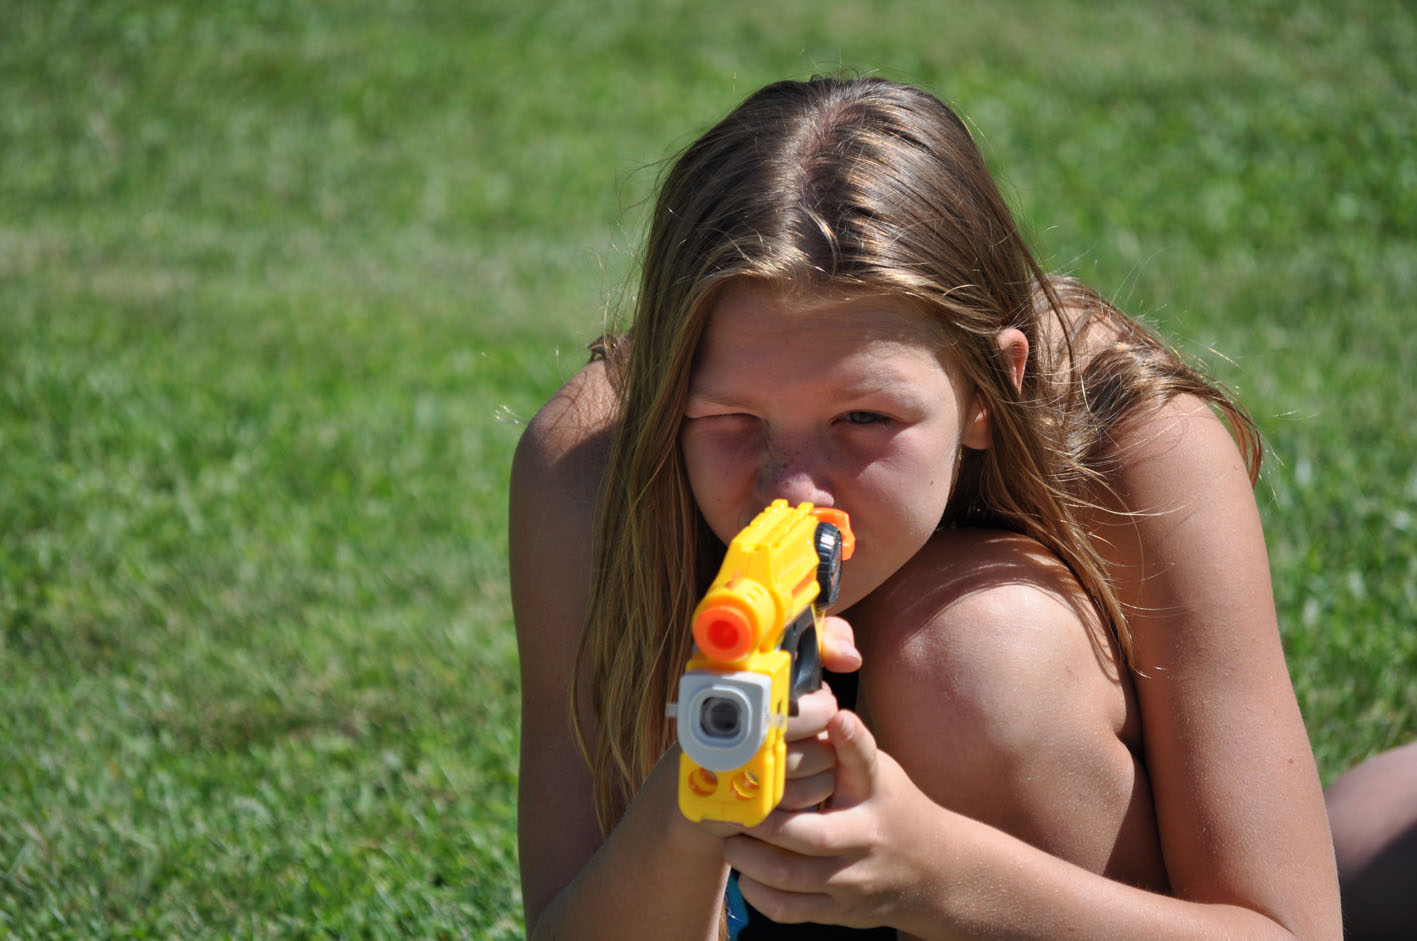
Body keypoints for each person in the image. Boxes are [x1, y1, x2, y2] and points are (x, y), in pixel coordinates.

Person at [510, 75, 1341, 938]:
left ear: (990, 388)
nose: (793, 488)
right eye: (730, 419)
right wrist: (692, 801)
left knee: (973, 658)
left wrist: (939, 874)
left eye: (863, 418)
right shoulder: (590, 464)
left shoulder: (1129, 440)